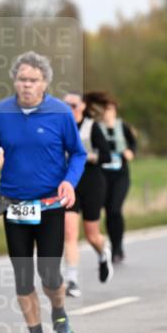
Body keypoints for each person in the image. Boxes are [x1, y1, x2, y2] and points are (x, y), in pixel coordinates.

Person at [0, 51, 86, 333]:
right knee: (23, 276)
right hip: (14, 204)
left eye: (33, 80)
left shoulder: (60, 113)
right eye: (22, 79)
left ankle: (60, 316)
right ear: (14, 80)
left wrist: (70, 182)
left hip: (50, 203)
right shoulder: (1, 112)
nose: (26, 85)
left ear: (45, 83)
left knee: (49, 273)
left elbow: (77, 154)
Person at [63, 92, 114, 298]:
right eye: (66, 105)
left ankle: (103, 252)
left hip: (92, 182)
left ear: (83, 106)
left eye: (74, 105)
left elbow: (106, 155)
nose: (70, 109)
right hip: (68, 185)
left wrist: (84, 157)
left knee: (92, 234)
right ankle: (72, 280)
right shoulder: (59, 126)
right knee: (69, 233)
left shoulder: (91, 127)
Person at [99, 96, 137, 264]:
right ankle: (115, 247)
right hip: (102, 175)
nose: (106, 113)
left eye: (109, 110)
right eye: (103, 110)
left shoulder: (123, 126)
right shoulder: (96, 128)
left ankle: (118, 246)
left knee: (115, 209)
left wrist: (130, 152)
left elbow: (133, 144)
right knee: (108, 211)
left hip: (120, 175)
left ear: (114, 111)